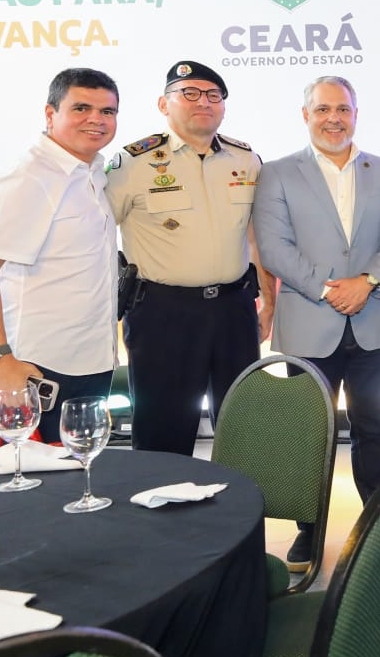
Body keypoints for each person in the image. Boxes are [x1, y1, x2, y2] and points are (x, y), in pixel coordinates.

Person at [252, 76, 380, 571]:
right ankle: (308, 530)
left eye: (343, 109)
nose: (333, 118)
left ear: (356, 113)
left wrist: (367, 282)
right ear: (305, 115)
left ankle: (378, 524)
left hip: (374, 319)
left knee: (373, 428)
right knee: (310, 433)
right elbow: (274, 248)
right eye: (322, 109)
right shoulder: (277, 173)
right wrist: (329, 289)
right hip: (308, 321)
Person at [107, 60, 277, 456]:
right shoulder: (132, 163)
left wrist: (269, 301)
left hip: (234, 311)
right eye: (190, 93)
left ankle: (241, 515)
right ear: (164, 105)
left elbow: (256, 237)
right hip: (163, 313)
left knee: (243, 427)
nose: (204, 102)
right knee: (163, 432)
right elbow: (97, 239)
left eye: (213, 95)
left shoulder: (245, 160)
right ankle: (159, 515)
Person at [0, 68, 120, 445]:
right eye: (81, 108)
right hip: (39, 367)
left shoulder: (92, 171)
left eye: (108, 111)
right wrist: (0, 360)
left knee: (81, 474)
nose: (96, 119)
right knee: (39, 485)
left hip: (91, 361)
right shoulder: (27, 177)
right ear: (50, 115)